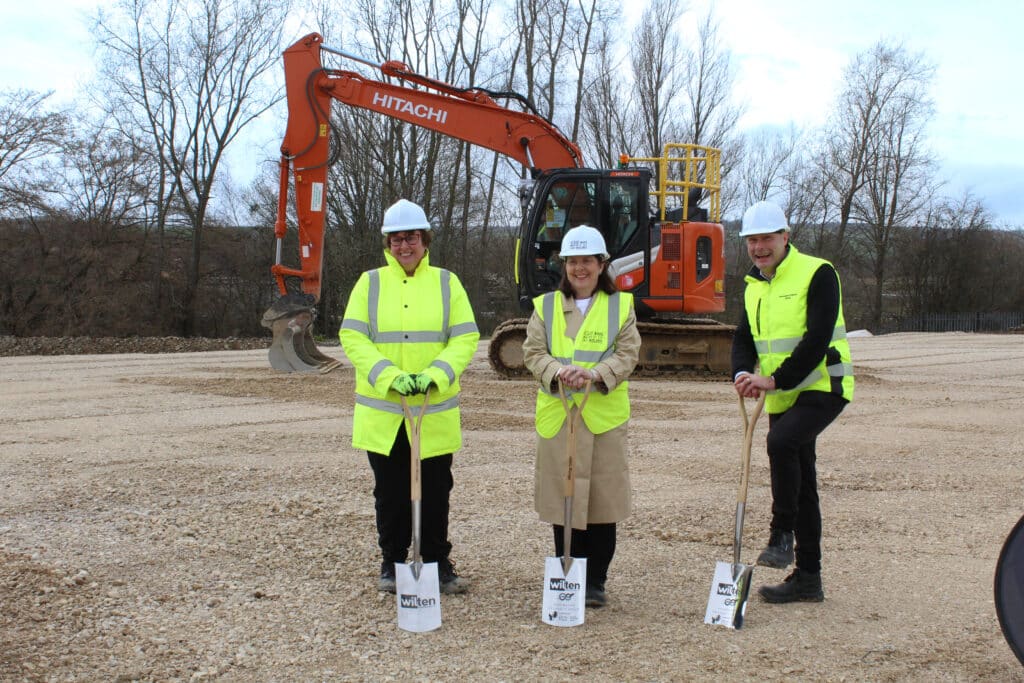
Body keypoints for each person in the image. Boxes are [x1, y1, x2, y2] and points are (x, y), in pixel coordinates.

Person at [339, 198, 479, 595]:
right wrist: (389, 376)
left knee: (435, 491)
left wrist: (437, 374)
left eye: (412, 238)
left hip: (432, 410)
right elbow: (352, 335)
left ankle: (437, 563)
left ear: (425, 239)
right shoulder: (370, 283)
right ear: (387, 243)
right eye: (397, 239)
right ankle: (393, 562)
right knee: (391, 493)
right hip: (385, 414)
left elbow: (466, 335)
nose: (405, 246)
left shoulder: (446, 282)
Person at [731, 200, 854, 604]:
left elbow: (817, 339)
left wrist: (774, 379)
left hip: (823, 384)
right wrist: (741, 375)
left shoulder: (818, 272)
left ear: (786, 237)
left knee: (782, 443)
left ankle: (781, 535)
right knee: (802, 480)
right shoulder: (754, 286)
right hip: (783, 395)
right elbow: (743, 338)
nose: (759, 247)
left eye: (766, 238)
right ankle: (809, 578)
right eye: (752, 240)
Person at [522, 225, 641, 608]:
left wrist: (594, 374)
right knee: (565, 498)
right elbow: (533, 352)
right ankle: (567, 570)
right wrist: (558, 372)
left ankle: (596, 581)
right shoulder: (546, 307)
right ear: (564, 265)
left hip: (601, 417)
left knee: (603, 503)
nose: (579, 268)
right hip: (560, 415)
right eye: (572, 261)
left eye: (587, 260)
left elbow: (627, 354)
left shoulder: (621, 306)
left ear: (601, 263)